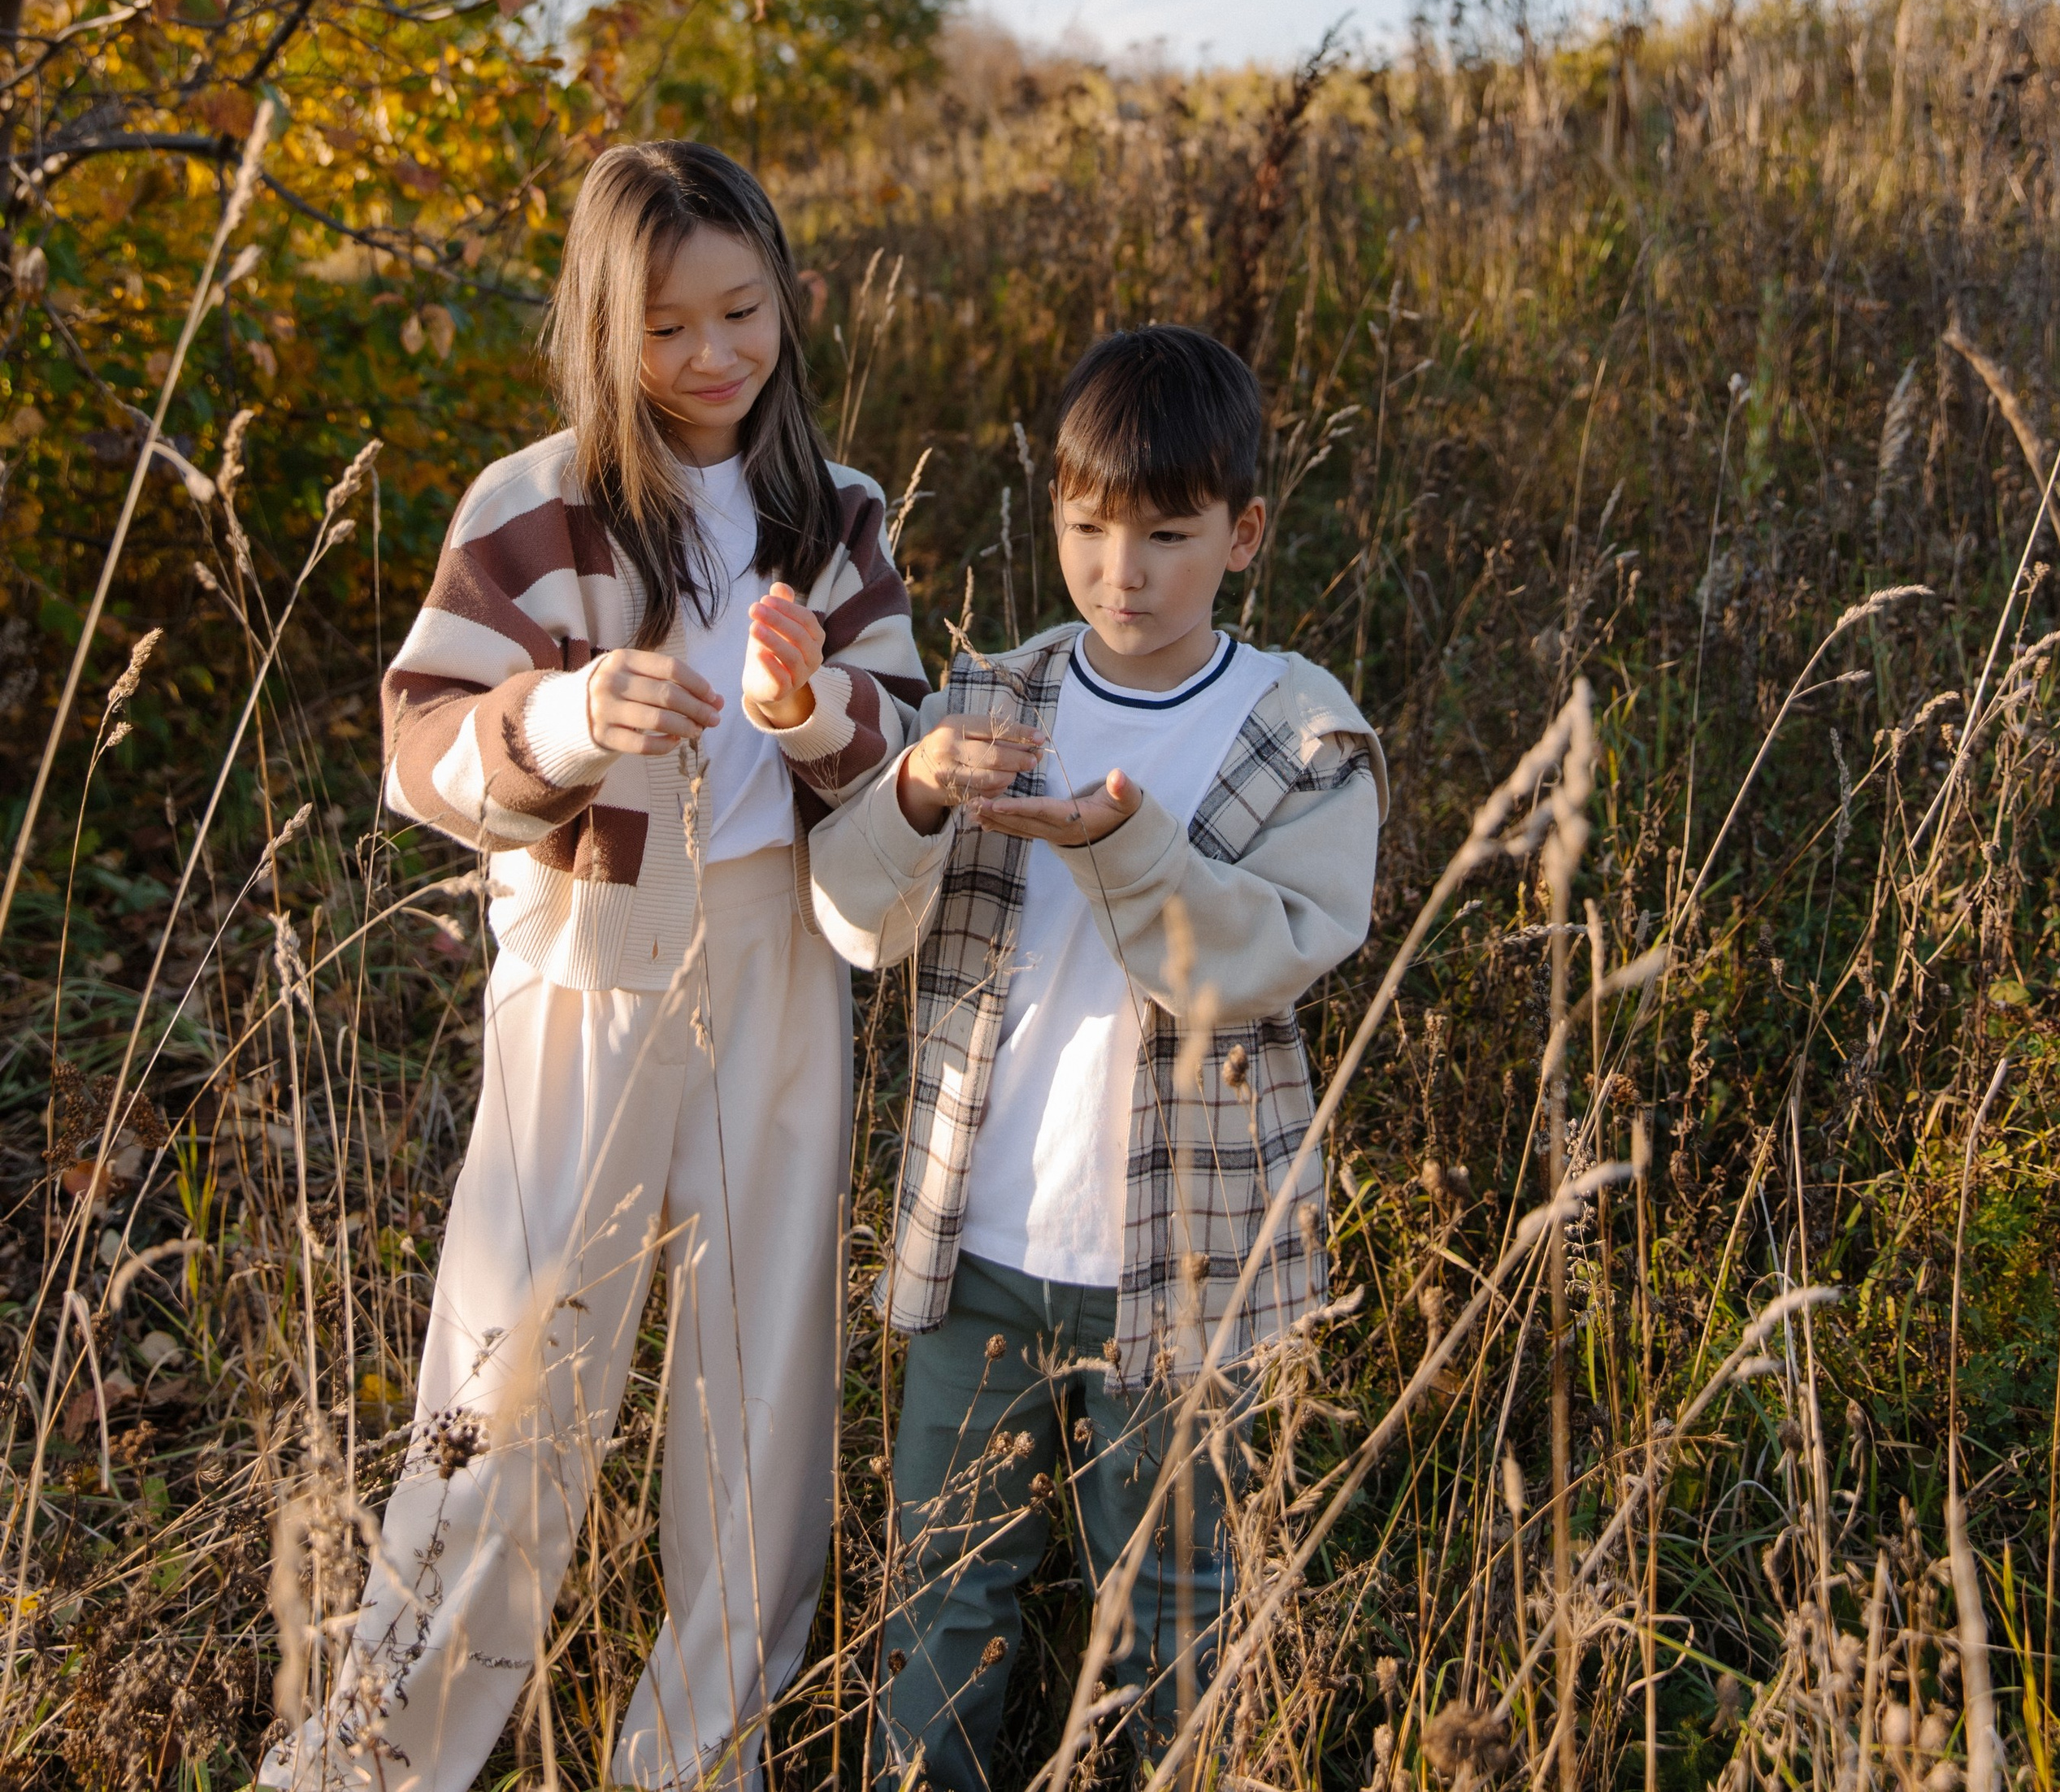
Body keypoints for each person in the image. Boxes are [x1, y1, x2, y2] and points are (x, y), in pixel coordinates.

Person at [262, 142, 927, 1792]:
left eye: (741, 313)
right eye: (666, 328)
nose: (710, 358)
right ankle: (372, 1761)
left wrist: (812, 711)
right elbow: (420, 749)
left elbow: (901, 741)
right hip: (587, 972)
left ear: (786, 299)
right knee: (508, 1396)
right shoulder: (534, 501)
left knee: (756, 1400)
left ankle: (700, 1759)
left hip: (778, 962)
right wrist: (565, 717)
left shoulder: (832, 515)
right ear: (599, 327)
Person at [808, 323, 1386, 1792]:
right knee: (946, 1594)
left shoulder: (1301, 731)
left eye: (1167, 536)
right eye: (1085, 530)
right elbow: (853, 916)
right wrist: (920, 797)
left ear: (1242, 534)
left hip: (1187, 1268)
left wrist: (1130, 845)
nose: (1121, 573)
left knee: (1177, 1613)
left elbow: (1263, 958)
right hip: (980, 1250)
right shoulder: (994, 700)